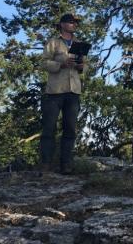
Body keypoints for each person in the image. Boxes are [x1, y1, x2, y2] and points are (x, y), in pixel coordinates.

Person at [39, 13, 86, 174]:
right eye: (71, 22)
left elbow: (85, 66)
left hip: (73, 91)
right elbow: (43, 62)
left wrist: (82, 67)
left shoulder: (79, 43)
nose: (74, 25)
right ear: (62, 24)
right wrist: (61, 63)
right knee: (49, 128)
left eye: (75, 23)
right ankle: (45, 164)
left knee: (70, 129)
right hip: (55, 91)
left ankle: (66, 165)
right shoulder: (53, 42)